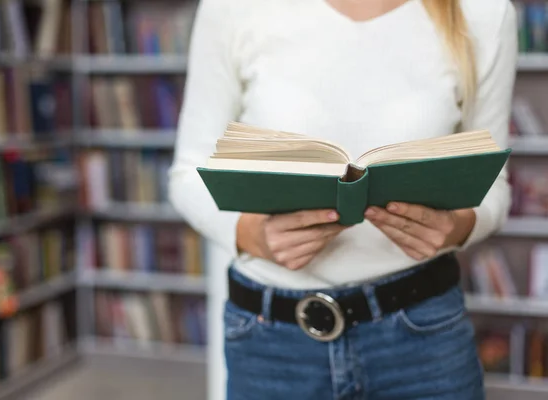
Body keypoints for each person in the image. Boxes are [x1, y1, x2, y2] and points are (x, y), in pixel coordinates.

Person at [169, 0, 516, 398]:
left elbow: (493, 185)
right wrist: (251, 235)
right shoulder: (234, 8)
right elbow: (188, 173)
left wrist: (458, 226)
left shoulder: (483, 13)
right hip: (271, 342)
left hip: (423, 336)